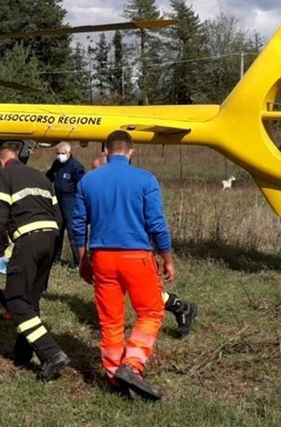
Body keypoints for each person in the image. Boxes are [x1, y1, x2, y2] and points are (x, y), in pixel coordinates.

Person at [73, 130, 173, 400]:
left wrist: (83, 260)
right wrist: (167, 258)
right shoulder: (145, 179)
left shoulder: (88, 181)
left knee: (110, 321)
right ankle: (132, 365)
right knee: (151, 312)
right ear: (131, 151)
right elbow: (156, 223)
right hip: (136, 256)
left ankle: (114, 377)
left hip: (102, 258)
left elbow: (78, 224)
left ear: (106, 151)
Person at [91, 151, 197, 338]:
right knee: (122, 288)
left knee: (141, 292)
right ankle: (111, 327)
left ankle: (181, 307)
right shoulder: (104, 181)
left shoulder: (133, 180)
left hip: (133, 245)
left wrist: (166, 256)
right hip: (113, 246)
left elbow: (154, 221)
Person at [0, 146, 70, 382]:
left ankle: (51, 354)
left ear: (1, 163)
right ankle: (22, 353)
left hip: (28, 240)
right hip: (50, 239)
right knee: (30, 299)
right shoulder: (40, 176)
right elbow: (59, 215)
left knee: (15, 300)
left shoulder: (3, 176)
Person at [45, 142, 86, 268]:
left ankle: (78, 261)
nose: (60, 156)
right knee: (57, 229)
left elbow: (82, 186)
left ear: (69, 153)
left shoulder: (76, 167)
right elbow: (48, 177)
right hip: (58, 199)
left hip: (70, 200)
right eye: (58, 153)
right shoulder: (57, 164)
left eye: (62, 153)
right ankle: (55, 259)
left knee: (72, 230)